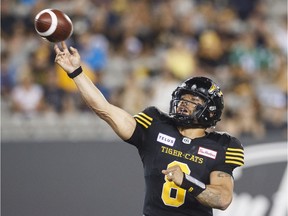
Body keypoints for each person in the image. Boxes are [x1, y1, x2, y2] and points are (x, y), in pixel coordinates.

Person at [54, 42, 244, 216]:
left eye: (194, 100)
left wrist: (187, 181)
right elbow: (105, 110)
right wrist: (76, 73)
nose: (184, 104)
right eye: (183, 98)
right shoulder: (155, 125)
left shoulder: (223, 145)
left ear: (210, 110)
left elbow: (223, 199)